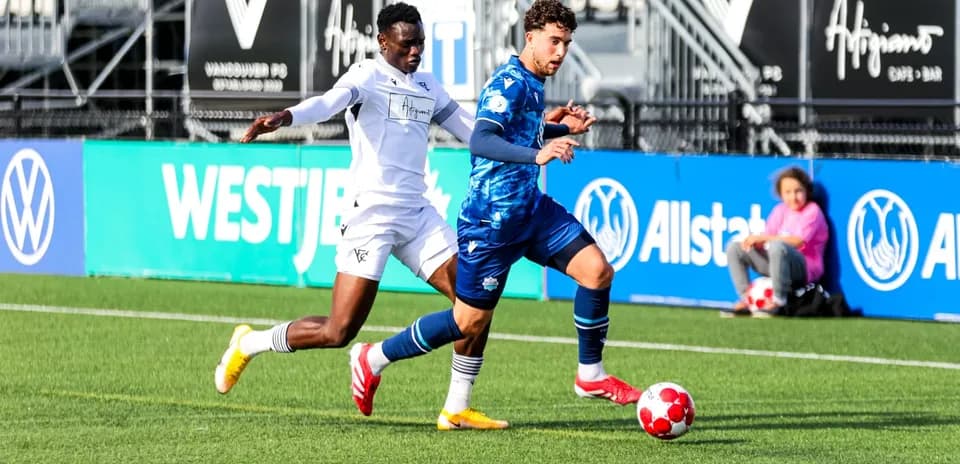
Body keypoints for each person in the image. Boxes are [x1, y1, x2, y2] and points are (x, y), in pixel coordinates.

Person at [215, 2, 580, 431]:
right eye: (406, 44)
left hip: (417, 214)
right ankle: (251, 342)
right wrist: (286, 116)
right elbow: (327, 103)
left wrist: (545, 128)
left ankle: (456, 408)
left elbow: (471, 130)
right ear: (383, 42)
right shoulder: (365, 77)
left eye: (420, 43)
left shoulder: (427, 84)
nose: (415, 52)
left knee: (474, 305)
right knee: (339, 330)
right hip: (371, 215)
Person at [347, 0, 643, 429]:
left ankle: (590, 374)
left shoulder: (534, 81)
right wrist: (537, 153)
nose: (560, 52)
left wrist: (558, 128)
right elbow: (482, 140)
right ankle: (373, 357)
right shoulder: (509, 82)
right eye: (554, 41)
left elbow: (521, 129)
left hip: (530, 210)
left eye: (566, 43)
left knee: (597, 271)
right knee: (467, 321)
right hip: (490, 222)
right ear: (531, 37)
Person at [723, 166, 829, 317]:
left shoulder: (812, 211)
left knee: (778, 246)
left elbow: (797, 241)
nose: (793, 197)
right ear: (781, 194)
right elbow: (768, 238)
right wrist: (755, 242)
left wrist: (763, 238)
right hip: (778, 263)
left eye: (798, 191)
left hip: (804, 269)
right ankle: (748, 299)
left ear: (807, 191)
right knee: (734, 248)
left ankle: (778, 301)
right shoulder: (780, 210)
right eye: (788, 192)